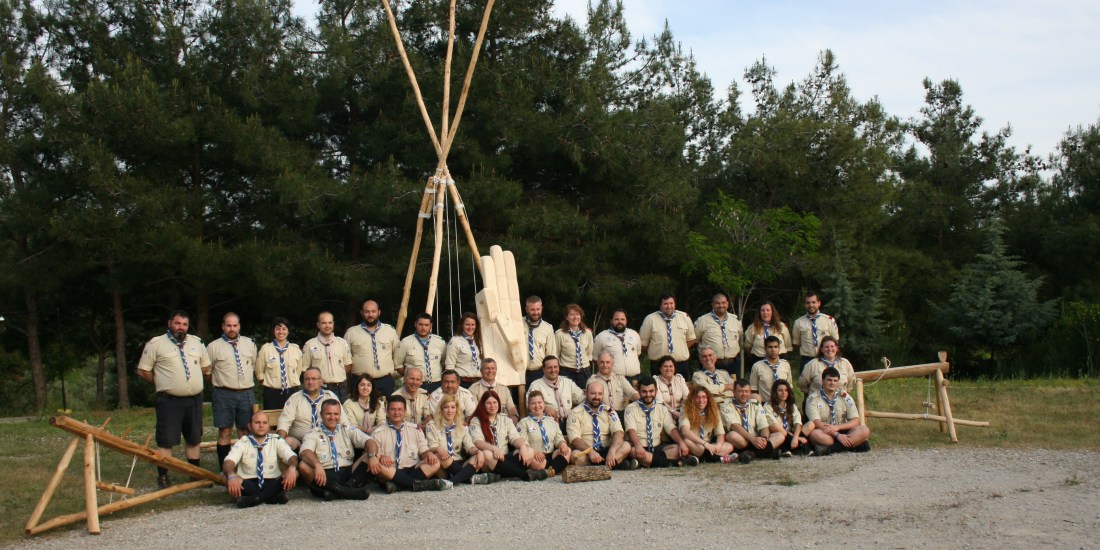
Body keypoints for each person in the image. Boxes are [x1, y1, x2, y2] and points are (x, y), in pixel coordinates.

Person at [136, 310, 211, 489]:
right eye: (177, 323)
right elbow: (143, 370)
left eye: (184, 324)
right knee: (166, 439)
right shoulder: (156, 344)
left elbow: (205, 367)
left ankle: (195, 474)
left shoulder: (196, 342)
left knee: (194, 438)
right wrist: (161, 383)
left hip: (194, 400)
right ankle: (163, 476)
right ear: (169, 323)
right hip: (169, 401)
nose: (181, 327)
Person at [364, 395, 451, 492]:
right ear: (387, 412)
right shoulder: (377, 433)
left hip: (412, 468)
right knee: (376, 464)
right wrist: (381, 457)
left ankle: (398, 486)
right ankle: (420, 485)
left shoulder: (415, 429)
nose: (396, 413)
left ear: (405, 411)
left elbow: (423, 452)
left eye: (400, 409)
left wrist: (429, 454)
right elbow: (374, 455)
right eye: (393, 409)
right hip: (391, 470)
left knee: (435, 462)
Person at [205, 312, 259, 466]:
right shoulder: (213, 347)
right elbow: (208, 372)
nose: (232, 329)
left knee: (246, 431)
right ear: (223, 326)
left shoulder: (250, 344)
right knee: (225, 432)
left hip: (246, 393)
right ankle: (225, 469)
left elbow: (253, 365)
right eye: (228, 325)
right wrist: (220, 384)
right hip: (223, 393)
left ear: (239, 326)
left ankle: (246, 467)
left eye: (235, 325)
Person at [297, 399, 371, 500]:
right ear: (321, 414)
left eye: (336, 414)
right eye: (328, 414)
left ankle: (334, 492)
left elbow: (369, 441)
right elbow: (305, 452)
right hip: (325, 476)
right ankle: (349, 492)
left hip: (348, 473)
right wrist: (317, 465)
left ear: (340, 415)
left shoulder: (347, 429)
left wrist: (373, 456)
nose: (332, 417)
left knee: (370, 454)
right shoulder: (313, 433)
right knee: (303, 465)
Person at [222, 411, 299, 508]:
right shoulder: (243, 442)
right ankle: (271, 497)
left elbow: (292, 457)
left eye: (264, 423)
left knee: (295, 472)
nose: (261, 426)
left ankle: (255, 499)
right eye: (257, 423)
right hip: (248, 483)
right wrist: (231, 475)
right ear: (250, 426)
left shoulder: (276, 440)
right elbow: (228, 462)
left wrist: (292, 468)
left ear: (268, 426)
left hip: (272, 482)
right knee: (226, 477)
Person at [470, 391, 551, 481]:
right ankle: (524, 475)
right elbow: (478, 442)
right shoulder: (476, 420)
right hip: (490, 460)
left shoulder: (505, 419)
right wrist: (493, 449)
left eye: (495, 402)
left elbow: (515, 438)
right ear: (483, 405)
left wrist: (523, 446)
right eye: (488, 403)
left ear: (499, 403)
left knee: (529, 451)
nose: (492, 406)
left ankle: (504, 474)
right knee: (487, 454)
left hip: (505, 457)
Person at [426, 394, 498, 485]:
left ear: (456, 410)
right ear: (441, 409)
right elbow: (432, 446)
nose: (450, 411)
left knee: (479, 455)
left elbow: (469, 446)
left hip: (459, 463)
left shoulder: (462, 427)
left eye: (453, 407)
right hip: (444, 463)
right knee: (438, 455)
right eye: (446, 407)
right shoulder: (432, 425)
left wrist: (477, 451)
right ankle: (467, 478)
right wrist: (438, 448)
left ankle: (451, 482)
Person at [566, 380, 636, 469]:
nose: (596, 397)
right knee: (575, 456)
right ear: (586, 393)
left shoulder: (609, 411)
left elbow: (618, 432)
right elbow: (574, 439)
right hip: (587, 452)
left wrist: (612, 450)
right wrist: (590, 451)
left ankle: (603, 464)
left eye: (600, 394)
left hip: (607, 450)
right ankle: (614, 464)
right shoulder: (575, 413)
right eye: (593, 393)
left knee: (626, 446)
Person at [624, 377, 692, 468]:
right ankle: (676, 463)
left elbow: (671, 428)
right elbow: (631, 430)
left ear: (656, 391)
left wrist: (681, 443)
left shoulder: (662, 408)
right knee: (632, 451)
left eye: (651, 391)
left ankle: (647, 462)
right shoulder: (630, 409)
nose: (648, 394)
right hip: (640, 447)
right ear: (639, 392)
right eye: (644, 391)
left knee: (677, 448)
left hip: (657, 447)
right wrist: (638, 446)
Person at [806, 367, 871, 455]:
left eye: (835, 380)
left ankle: (830, 449)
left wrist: (837, 428)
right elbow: (817, 423)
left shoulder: (844, 396)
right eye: (829, 380)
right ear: (823, 381)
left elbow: (855, 420)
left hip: (842, 429)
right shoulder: (813, 399)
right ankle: (853, 445)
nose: (832, 383)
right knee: (815, 435)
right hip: (825, 432)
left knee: (864, 430)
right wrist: (837, 435)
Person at [344, 299, 401, 398]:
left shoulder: (390, 331)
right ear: (361, 313)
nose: (370, 315)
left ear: (379, 312)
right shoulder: (351, 333)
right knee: (358, 407)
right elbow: (345, 358)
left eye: (373, 311)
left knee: (387, 407)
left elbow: (398, 354)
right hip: (359, 381)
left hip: (384, 381)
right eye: (367, 311)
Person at [276, 367, 341, 450]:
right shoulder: (295, 399)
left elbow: (343, 421)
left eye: (314, 379)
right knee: (288, 441)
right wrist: (279, 443)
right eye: (307, 379)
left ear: (321, 381)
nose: (310, 382)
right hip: (301, 442)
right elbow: (284, 423)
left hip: (326, 440)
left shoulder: (330, 397)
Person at [721, 379, 781, 463]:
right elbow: (734, 426)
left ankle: (749, 454)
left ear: (750, 393)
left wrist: (764, 439)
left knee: (779, 436)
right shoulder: (726, 405)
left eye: (746, 391)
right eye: (740, 391)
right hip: (741, 440)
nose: (744, 394)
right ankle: (768, 452)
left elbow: (763, 425)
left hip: (756, 439)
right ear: (734, 393)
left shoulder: (755, 404)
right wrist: (753, 439)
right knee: (732, 435)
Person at [639, 294, 697, 378]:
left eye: (671, 303)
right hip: (658, 366)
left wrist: (680, 348)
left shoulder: (684, 317)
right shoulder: (650, 319)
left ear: (675, 304)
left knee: (682, 386)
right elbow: (643, 344)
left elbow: (691, 339)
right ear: (660, 305)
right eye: (665, 304)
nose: (669, 306)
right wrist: (656, 350)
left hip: (680, 365)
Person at [515, 391, 571, 474]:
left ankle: (550, 471)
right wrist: (535, 452)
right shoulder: (523, 423)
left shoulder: (551, 421)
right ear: (529, 406)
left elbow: (558, 437)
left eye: (539, 402)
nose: (537, 406)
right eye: (533, 403)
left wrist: (562, 444)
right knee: (539, 464)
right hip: (535, 456)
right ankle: (553, 470)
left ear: (544, 404)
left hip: (551, 454)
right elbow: (523, 442)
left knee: (567, 450)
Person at [302, 311, 353, 401]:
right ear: (318, 325)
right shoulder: (309, 345)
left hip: (340, 388)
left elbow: (348, 365)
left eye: (330, 323)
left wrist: (336, 376)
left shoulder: (342, 343)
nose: (327, 326)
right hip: (320, 388)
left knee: (342, 410)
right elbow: (305, 369)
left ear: (333, 324)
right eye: (324, 323)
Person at [256, 317, 304, 410]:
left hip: (291, 391)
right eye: (277, 329)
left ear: (288, 331)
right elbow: (259, 372)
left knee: (293, 417)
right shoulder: (266, 350)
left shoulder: (296, 350)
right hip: (272, 393)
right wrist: (269, 385)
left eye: (284, 329)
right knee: (272, 418)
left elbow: (298, 371)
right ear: (273, 331)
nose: (281, 332)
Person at [678, 385, 735, 462]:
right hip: (694, 443)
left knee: (729, 446)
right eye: (697, 397)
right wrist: (704, 444)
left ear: (708, 399)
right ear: (693, 399)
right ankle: (719, 459)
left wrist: (718, 445)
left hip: (707, 445)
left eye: (704, 397)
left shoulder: (713, 410)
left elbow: (720, 433)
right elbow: (685, 431)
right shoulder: (685, 409)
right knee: (687, 442)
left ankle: (700, 457)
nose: (701, 400)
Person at [526, 356, 584, 429]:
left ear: (559, 368)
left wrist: (576, 413)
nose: (553, 370)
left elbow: (582, 398)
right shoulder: (536, 386)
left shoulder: (567, 382)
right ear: (543, 369)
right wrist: (545, 408)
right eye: (549, 368)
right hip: (548, 424)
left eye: (555, 367)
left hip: (570, 421)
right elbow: (529, 405)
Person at [693, 292, 743, 377]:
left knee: (734, 385)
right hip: (711, 363)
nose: (721, 305)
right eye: (717, 303)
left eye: (723, 303)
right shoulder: (702, 321)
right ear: (712, 305)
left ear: (727, 304)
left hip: (733, 364)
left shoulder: (735, 320)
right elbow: (695, 341)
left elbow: (740, 339)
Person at [398, 313, 447, 394]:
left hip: (436, 384)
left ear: (431, 326)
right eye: (420, 324)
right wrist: (410, 376)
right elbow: (398, 365)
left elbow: (444, 363)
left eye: (426, 325)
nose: (423, 328)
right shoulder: (405, 342)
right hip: (415, 385)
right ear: (415, 324)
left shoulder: (440, 342)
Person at [591, 309, 642, 383]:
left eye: (622, 319)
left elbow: (638, 354)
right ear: (611, 321)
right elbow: (595, 359)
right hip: (613, 380)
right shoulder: (601, 337)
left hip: (634, 379)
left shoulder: (634, 335)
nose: (620, 321)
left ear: (626, 321)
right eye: (616, 319)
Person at [790, 291, 840, 367]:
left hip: (825, 358)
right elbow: (797, 343)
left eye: (813, 302)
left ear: (819, 303)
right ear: (804, 304)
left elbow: (835, 340)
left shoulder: (829, 320)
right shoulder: (798, 322)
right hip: (807, 360)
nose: (811, 305)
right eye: (808, 303)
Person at [587, 352, 639, 418]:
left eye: (607, 362)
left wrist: (642, 401)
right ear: (598, 363)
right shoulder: (592, 381)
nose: (605, 365)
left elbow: (631, 392)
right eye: (602, 362)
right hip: (601, 415)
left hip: (620, 414)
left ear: (612, 364)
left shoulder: (619, 378)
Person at [554, 303, 593, 388]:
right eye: (572, 314)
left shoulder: (588, 333)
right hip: (567, 372)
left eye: (578, 314)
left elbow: (589, 354)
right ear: (566, 317)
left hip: (584, 372)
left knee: (585, 394)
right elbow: (556, 354)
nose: (575, 317)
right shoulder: (559, 334)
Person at [469, 358, 519, 424]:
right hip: (482, 425)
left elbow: (513, 414)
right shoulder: (473, 389)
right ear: (481, 371)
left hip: (503, 425)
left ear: (496, 370)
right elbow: (473, 414)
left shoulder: (504, 389)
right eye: (487, 368)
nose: (490, 371)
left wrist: (508, 424)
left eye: (493, 368)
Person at [523, 295, 558, 386]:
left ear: (541, 308)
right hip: (521, 372)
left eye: (538, 309)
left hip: (539, 372)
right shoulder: (518, 324)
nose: (536, 312)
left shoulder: (548, 328)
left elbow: (551, 354)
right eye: (532, 310)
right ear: (526, 309)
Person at [767, 379, 808, 457]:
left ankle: (793, 446)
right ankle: (796, 447)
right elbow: (774, 427)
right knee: (780, 434)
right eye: (780, 390)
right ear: (775, 392)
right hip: (778, 435)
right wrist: (795, 438)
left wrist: (795, 437)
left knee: (809, 425)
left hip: (791, 434)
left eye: (786, 390)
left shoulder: (792, 406)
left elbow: (798, 422)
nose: (783, 393)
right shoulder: (768, 407)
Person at [748, 336, 793, 404]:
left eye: (775, 347)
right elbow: (754, 389)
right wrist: (758, 406)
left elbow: (789, 387)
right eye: (770, 347)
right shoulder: (757, 366)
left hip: (782, 404)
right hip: (765, 403)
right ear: (765, 349)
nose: (773, 350)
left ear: (779, 348)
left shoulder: (785, 365)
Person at [445, 312, 483, 387]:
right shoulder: (455, 341)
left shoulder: (479, 341)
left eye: (473, 324)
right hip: (463, 383)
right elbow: (450, 366)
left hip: (479, 382)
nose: (470, 327)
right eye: (467, 324)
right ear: (462, 325)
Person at [653, 355, 690, 421]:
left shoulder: (680, 379)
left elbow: (687, 398)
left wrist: (683, 412)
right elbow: (660, 402)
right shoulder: (656, 381)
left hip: (681, 411)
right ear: (660, 369)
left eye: (671, 366)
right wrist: (674, 412)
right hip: (664, 412)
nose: (668, 369)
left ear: (674, 368)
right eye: (665, 366)